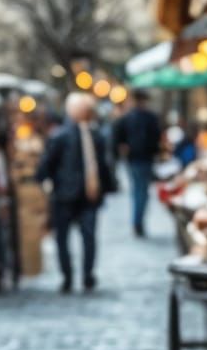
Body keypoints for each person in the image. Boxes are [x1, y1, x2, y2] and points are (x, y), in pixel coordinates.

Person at [36, 91, 114, 291]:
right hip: (65, 196)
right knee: (63, 239)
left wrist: (104, 188)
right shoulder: (60, 136)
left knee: (88, 237)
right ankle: (68, 276)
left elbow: (102, 166)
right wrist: (46, 182)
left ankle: (87, 275)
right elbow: (47, 164)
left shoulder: (96, 135)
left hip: (89, 196)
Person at [112, 89, 163, 239]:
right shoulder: (148, 118)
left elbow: (117, 138)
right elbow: (156, 139)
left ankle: (137, 222)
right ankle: (138, 222)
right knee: (141, 192)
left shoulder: (128, 118)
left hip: (135, 159)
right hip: (143, 159)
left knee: (138, 191)